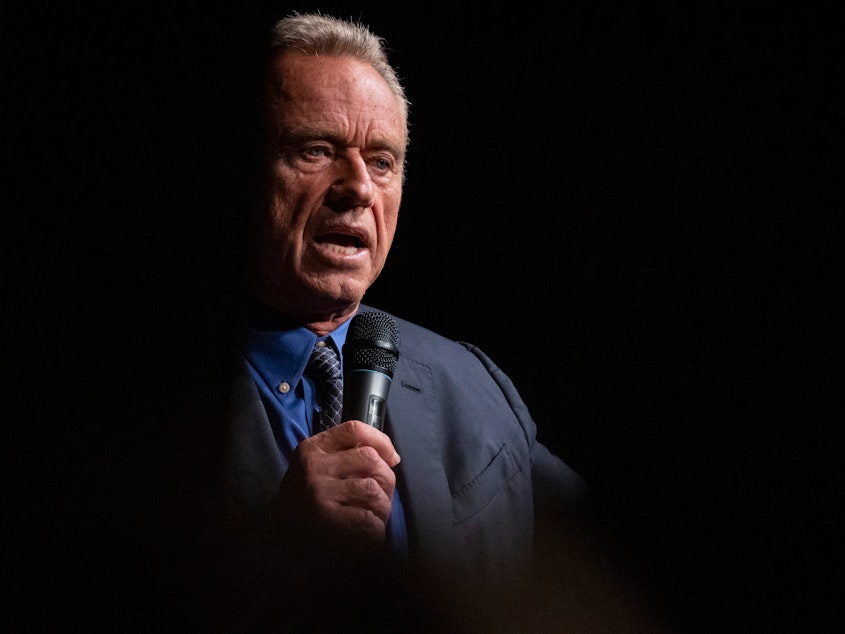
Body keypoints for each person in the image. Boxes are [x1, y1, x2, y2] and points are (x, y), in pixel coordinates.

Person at [210, 11, 618, 633]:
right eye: (316, 149)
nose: (357, 189)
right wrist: (273, 554)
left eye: (382, 161)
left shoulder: (472, 383)